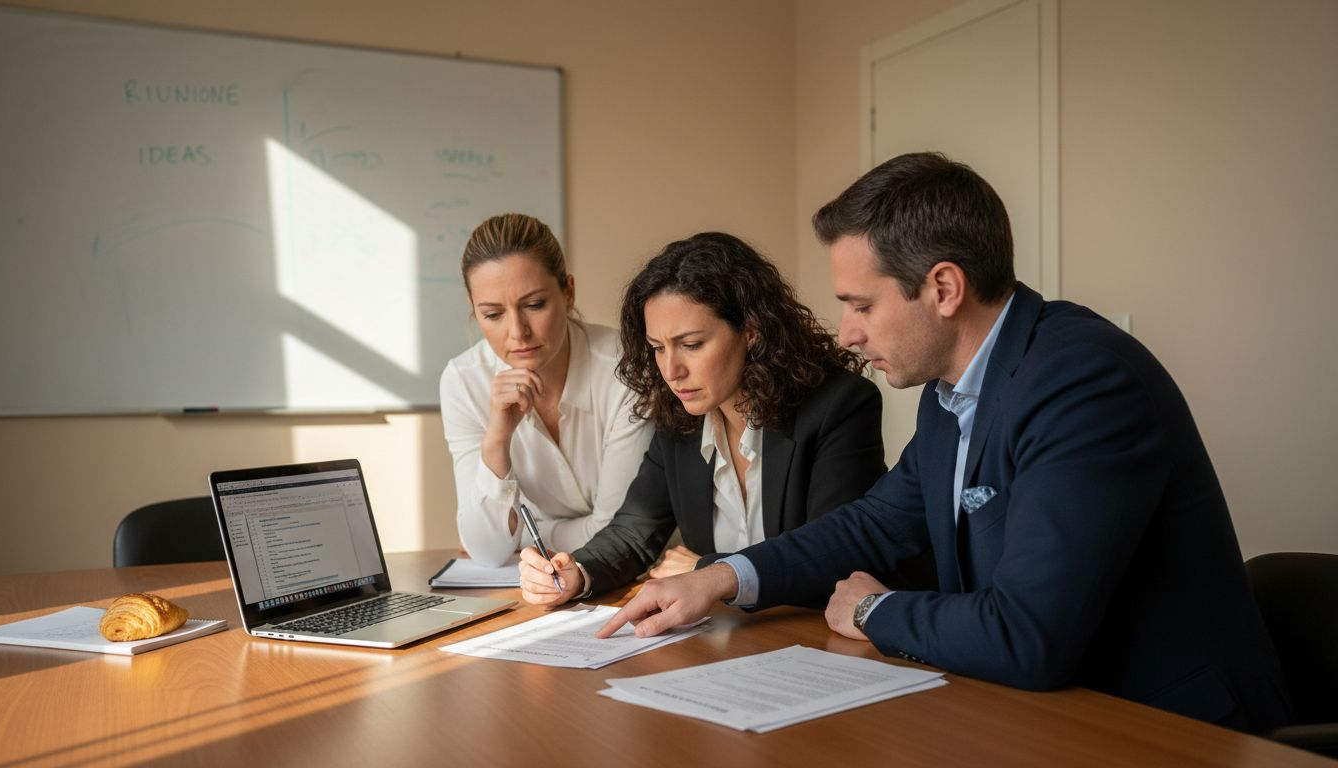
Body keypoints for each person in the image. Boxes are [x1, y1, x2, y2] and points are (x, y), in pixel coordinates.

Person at [597, 153, 1292, 732]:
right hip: (1043, 712)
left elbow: (1029, 636)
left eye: (861, 305)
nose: (846, 333)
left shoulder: (1084, 382)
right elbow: (875, 524)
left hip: (1170, 728)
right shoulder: (949, 394)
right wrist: (722, 578)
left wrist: (875, 609)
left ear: (944, 288)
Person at [518, 232, 886, 605]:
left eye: (691, 345)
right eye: (658, 348)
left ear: (752, 331)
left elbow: (833, 559)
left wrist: (711, 573)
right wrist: (577, 572)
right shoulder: (680, 420)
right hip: (724, 643)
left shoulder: (840, 407)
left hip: (819, 642)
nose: (671, 370)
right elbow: (634, 530)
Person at [440, 213, 653, 566]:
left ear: (568, 292)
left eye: (534, 305)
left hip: (642, 574)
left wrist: (523, 537)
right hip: (549, 582)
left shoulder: (624, 367)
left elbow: (618, 531)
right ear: (475, 311)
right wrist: (496, 441)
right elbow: (487, 551)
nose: (517, 332)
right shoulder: (463, 381)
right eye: (493, 314)